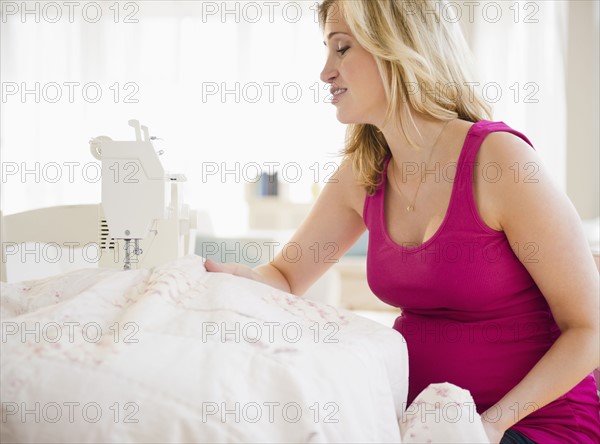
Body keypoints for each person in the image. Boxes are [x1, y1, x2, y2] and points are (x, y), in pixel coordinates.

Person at [205, 1, 600, 442]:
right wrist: (229, 279)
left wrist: (488, 427)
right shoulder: (364, 172)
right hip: (423, 423)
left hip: (533, 425)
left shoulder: (500, 162)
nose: (325, 73)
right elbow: (284, 275)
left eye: (342, 49)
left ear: (398, 48)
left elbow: (589, 328)